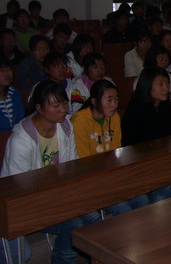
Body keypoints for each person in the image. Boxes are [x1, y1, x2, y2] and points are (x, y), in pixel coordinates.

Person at [1, 81, 101, 263]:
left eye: (64, 103)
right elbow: (20, 185)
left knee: (94, 218)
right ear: (39, 108)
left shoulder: (66, 126)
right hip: (27, 203)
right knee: (74, 224)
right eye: (56, 105)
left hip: (57, 195)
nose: (63, 109)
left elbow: (72, 166)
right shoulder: (22, 139)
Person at [71, 80, 151, 214]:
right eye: (109, 100)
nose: (114, 105)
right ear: (94, 101)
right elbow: (85, 161)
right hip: (92, 180)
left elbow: (116, 152)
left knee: (143, 201)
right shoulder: (80, 121)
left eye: (116, 99)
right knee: (124, 209)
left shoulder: (114, 117)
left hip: (112, 176)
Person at [121, 67, 171, 201]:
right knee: (163, 192)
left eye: (167, 84)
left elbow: (169, 133)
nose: (166, 88)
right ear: (147, 86)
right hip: (139, 160)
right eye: (160, 84)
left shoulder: (165, 104)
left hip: (161, 157)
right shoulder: (137, 108)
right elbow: (134, 145)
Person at [0, 55, 25, 132]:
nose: (7, 74)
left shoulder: (14, 93)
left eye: (9, 69)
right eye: (2, 70)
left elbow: (21, 121)